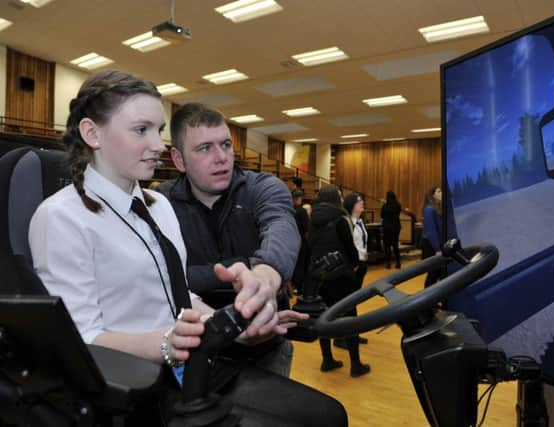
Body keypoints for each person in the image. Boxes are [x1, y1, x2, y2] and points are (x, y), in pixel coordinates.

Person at [28, 70, 347, 426]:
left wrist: (235, 323)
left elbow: (178, 296)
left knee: (328, 416)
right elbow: (80, 339)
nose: (159, 145)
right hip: (133, 391)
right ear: (92, 133)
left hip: (192, 371)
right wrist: (167, 343)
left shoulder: (157, 206)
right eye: (141, 130)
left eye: (159, 131)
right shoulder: (60, 217)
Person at [157, 103, 299, 377]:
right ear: (178, 159)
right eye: (204, 148)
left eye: (225, 144)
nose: (221, 157)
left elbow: (281, 228)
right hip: (196, 351)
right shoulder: (160, 203)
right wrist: (239, 265)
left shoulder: (263, 187)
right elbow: (162, 277)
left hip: (266, 349)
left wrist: (265, 276)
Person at [309, 184, 370, 378]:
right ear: (335, 199)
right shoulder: (340, 220)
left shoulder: (313, 219)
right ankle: (355, 364)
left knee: (324, 316)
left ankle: (327, 359)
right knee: (349, 316)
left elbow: (308, 247)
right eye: (340, 197)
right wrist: (354, 266)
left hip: (319, 275)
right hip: (341, 276)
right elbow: (351, 250)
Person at [333, 192, 370, 350]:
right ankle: (343, 336)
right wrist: (353, 264)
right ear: (351, 205)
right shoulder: (346, 223)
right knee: (347, 303)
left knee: (353, 302)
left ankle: (352, 334)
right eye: (358, 201)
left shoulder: (360, 222)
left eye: (362, 200)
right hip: (353, 266)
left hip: (361, 264)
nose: (362, 203)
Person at [422, 186, 443, 287]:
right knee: (433, 274)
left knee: (437, 273)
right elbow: (431, 231)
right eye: (439, 191)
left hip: (436, 245)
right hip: (431, 247)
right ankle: (427, 300)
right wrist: (437, 249)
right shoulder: (429, 209)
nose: (441, 193)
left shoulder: (437, 209)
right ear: (433, 195)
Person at [291, 188, 310, 295]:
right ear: (298, 199)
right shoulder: (302, 211)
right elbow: (306, 227)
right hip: (301, 241)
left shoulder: (288, 209)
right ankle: (299, 287)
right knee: (301, 264)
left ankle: (292, 285)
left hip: (290, 239)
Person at [381, 190, 402, 269]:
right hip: (396, 227)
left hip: (387, 227)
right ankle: (398, 262)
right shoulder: (398, 205)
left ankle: (388, 263)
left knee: (387, 245)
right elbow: (398, 213)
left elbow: (382, 216)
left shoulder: (385, 206)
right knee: (395, 245)